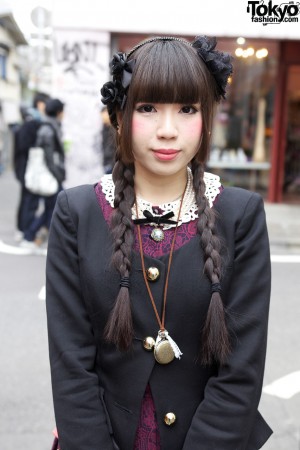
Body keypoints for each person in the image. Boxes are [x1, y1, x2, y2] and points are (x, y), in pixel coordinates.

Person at [46, 36, 272, 450]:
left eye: (187, 109)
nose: (167, 131)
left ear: (207, 117)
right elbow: (70, 365)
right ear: (118, 115)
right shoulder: (76, 213)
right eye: (148, 108)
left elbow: (241, 372)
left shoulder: (241, 215)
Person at [20, 98, 66, 251]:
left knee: (50, 209)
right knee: (53, 209)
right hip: (50, 175)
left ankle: (33, 238)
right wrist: (58, 175)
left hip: (50, 175)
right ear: (59, 112)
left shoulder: (50, 126)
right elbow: (49, 158)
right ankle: (30, 237)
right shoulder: (48, 128)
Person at [13, 92, 50, 241]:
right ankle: (24, 230)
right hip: (27, 168)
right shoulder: (31, 122)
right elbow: (24, 145)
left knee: (28, 199)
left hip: (27, 167)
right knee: (29, 200)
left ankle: (23, 229)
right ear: (40, 104)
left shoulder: (34, 120)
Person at [100, 105, 116, 174]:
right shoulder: (104, 128)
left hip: (114, 164)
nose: (102, 117)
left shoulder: (114, 129)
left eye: (104, 114)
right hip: (107, 163)